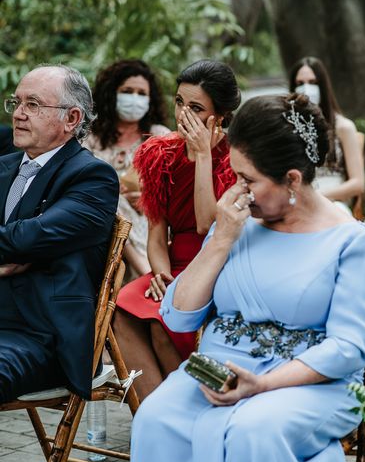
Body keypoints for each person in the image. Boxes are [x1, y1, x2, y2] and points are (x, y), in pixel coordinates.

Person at [130, 93, 365, 462]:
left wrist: (263, 385)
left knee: (254, 431)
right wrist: (220, 239)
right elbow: (179, 316)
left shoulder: (351, 241)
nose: (236, 187)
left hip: (310, 385)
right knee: (155, 418)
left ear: (292, 180)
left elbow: (348, 348)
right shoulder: (235, 220)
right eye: (235, 174)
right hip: (219, 373)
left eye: (248, 178)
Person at [113, 60, 239, 401]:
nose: (183, 114)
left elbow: (205, 224)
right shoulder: (158, 152)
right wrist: (161, 274)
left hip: (217, 264)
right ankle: (152, 413)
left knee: (160, 321)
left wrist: (202, 157)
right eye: (180, 102)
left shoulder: (236, 156)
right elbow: (156, 234)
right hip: (173, 263)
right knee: (123, 305)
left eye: (196, 108)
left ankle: (185, 408)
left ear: (221, 115)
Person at [0, 65, 119, 403]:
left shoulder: (92, 177)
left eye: (33, 104)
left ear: (71, 118)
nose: (19, 115)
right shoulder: (4, 166)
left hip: (40, 336)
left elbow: (29, 237)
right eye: (17, 102)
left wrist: (18, 248)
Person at [85, 59, 170, 280]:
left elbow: (175, 190)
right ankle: (146, 272)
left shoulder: (159, 137)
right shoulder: (90, 140)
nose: (134, 99)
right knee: (108, 198)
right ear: (111, 93)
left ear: (150, 100)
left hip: (151, 224)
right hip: (101, 228)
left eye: (142, 93)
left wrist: (145, 198)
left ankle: (146, 269)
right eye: (127, 91)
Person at [288, 56, 365, 213]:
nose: (306, 88)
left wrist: (316, 196)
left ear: (323, 86)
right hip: (296, 202)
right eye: (300, 84)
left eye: (313, 82)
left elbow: (358, 183)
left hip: (334, 204)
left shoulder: (343, 127)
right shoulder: (287, 127)